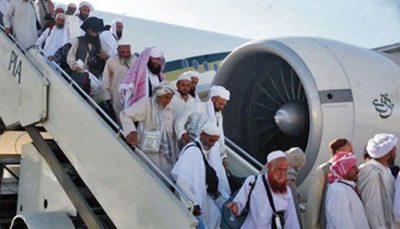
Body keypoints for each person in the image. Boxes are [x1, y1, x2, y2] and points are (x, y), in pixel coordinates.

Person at [227, 151, 300, 229]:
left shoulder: (286, 191)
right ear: (269, 167)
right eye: (279, 169)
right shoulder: (253, 181)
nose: (282, 174)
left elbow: (292, 221)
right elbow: (239, 203)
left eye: (285, 170)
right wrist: (235, 208)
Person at [171, 122, 224, 229]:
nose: (212, 144)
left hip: (199, 201)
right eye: (211, 140)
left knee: (215, 216)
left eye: (215, 141)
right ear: (202, 135)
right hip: (190, 204)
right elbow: (181, 180)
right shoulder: (192, 151)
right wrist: (192, 203)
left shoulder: (200, 151)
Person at [120, 82, 178, 178]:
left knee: (166, 180)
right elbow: (125, 114)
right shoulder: (147, 104)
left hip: (166, 152)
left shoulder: (171, 109)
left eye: (170, 98)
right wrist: (131, 132)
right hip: (149, 150)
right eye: (166, 97)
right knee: (152, 177)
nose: (168, 101)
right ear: (158, 95)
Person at [305, 138, 352, 229]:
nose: (352, 154)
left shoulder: (350, 171)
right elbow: (313, 206)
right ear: (338, 151)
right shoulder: (323, 170)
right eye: (349, 151)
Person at [357, 133, 399, 228]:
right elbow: (371, 207)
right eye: (394, 151)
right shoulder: (370, 171)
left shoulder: (386, 170)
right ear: (387, 155)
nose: (396, 154)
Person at [176, 85, 230, 155]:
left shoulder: (218, 115)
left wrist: (223, 155)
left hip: (209, 151)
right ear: (213, 99)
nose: (222, 107)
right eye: (220, 104)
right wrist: (184, 136)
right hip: (192, 148)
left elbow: (220, 134)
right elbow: (179, 122)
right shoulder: (197, 107)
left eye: (224, 105)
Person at [325, 151, 370, 229]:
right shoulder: (338, 191)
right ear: (344, 170)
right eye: (353, 167)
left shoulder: (346, 188)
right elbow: (342, 224)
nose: (358, 170)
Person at [102, 39, 137, 124]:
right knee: (120, 118)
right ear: (118, 50)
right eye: (123, 52)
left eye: (128, 52)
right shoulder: (111, 61)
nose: (126, 54)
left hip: (132, 94)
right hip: (116, 95)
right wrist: (107, 98)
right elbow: (105, 80)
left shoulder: (135, 60)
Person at [285, 147, 306, 228]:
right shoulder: (289, 178)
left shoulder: (270, 166)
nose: (297, 170)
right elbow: (293, 207)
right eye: (297, 166)